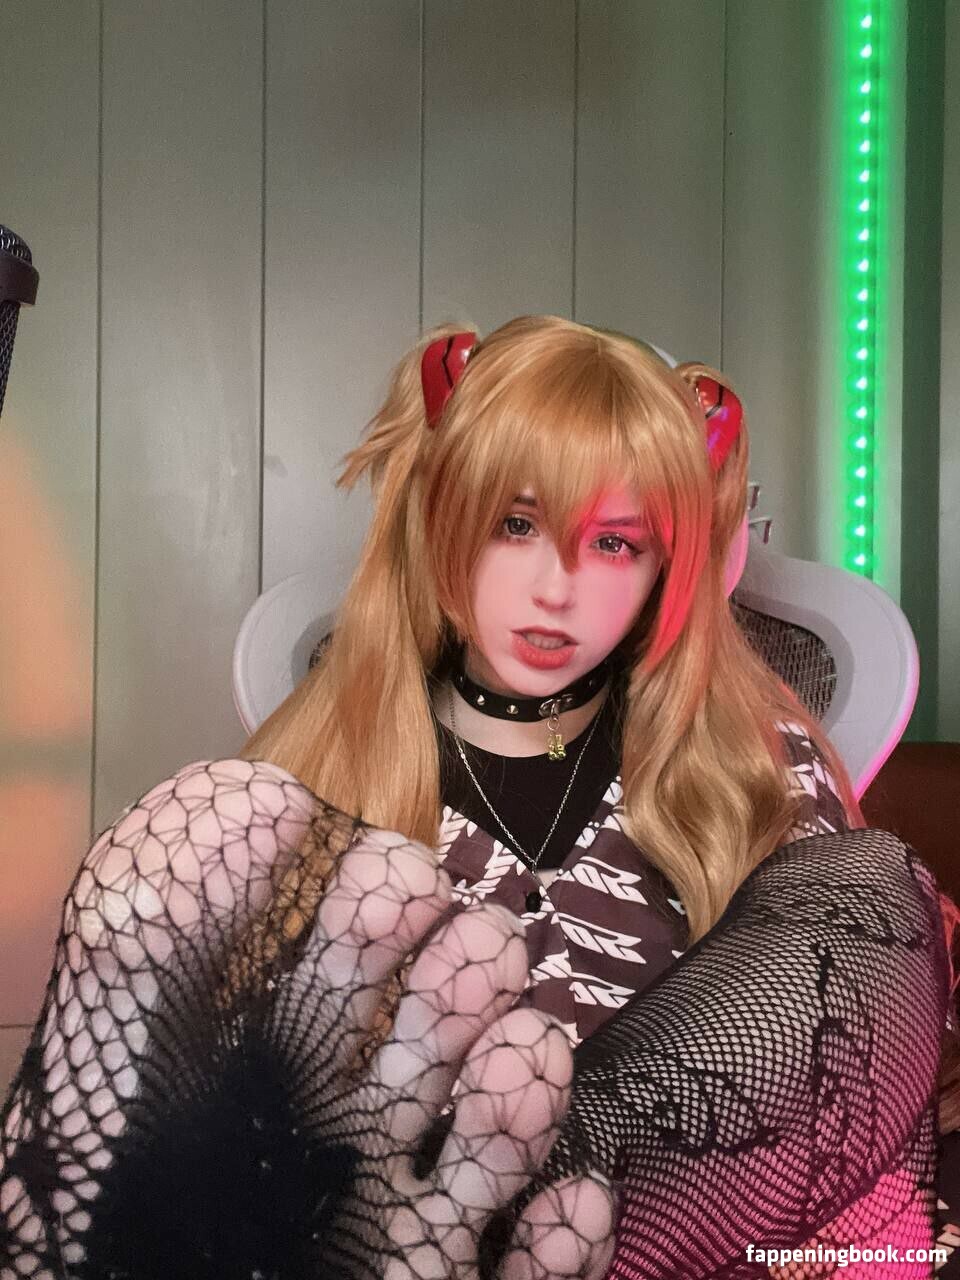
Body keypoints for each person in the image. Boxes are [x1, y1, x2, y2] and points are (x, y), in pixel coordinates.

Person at [0, 316, 954, 1278]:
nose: (557, 589)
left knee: (874, 882)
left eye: (614, 543)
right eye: (516, 525)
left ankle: (523, 1216)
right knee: (206, 829)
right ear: (441, 517)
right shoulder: (309, 781)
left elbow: (868, 1135)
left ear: (667, 565)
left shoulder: (753, 764)